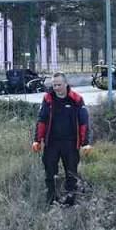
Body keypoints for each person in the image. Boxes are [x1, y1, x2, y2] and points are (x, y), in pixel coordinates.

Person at [31, 74, 92, 205]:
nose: (56, 88)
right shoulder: (48, 99)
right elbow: (41, 120)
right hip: (51, 143)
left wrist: (85, 143)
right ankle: (52, 201)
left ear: (65, 84)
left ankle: (70, 202)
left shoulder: (76, 99)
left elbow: (84, 122)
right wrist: (37, 140)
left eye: (59, 84)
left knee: (71, 174)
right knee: (50, 174)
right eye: (54, 85)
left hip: (70, 144)